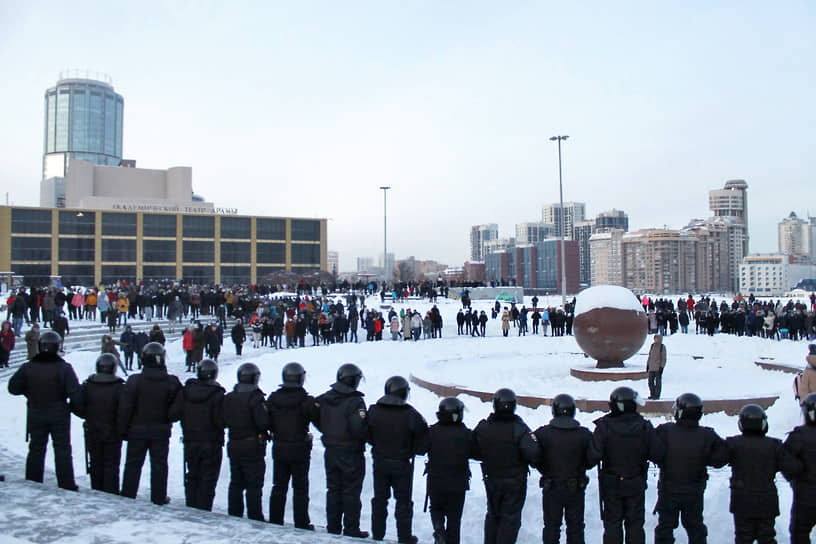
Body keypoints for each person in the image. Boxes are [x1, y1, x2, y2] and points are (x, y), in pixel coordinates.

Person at [587, 386, 666, 544]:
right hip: (635, 482)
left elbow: (592, 457)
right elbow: (658, 454)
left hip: (611, 484)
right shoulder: (644, 427)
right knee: (635, 524)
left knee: (612, 524)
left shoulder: (605, 427)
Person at [7, 331, 79, 490]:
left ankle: (33, 481)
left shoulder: (28, 367)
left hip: (36, 411)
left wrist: (29, 392)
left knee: (36, 448)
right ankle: (66, 484)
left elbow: (13, 388)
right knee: (62, 449)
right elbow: (75, 393)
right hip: (59, 413)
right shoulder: (64, 368)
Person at [653, 393, 728, 544]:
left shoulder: (666, 431)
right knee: (695, 528)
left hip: (669, 489)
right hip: (694, 491)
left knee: (665, 528)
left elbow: (653, 451)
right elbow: (721, 458)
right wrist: (706, 457)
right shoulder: (706, 435)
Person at [118, 342, 183, 505]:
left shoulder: (134, 381)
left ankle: (128, 492)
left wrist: (123, 429)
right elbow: (178, 407)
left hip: (137, 429)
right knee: (159, 465)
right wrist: (168, 418)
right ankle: (159, 496)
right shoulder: (171, 382)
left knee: (133, 463)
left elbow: (125, 408)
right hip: (160, 430)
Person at [472, 388, 539, 544]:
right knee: (510, 518)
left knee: (493, 515)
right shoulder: (519, 428)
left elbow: (473, 449)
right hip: (515, 481)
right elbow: (533, 454)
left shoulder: (485, 427)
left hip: (492, 478)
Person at [367, 376, 429, 543]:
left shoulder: (373, 410)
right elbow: (424, 438)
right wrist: (414, 449)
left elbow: (366, 433)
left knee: (379, 499)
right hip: (401, 463)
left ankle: (377, 533)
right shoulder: (411, 414)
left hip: (380, 461)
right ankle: (404, 536)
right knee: (403, 502)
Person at [725, 404, 799, 544]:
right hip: (767, 501)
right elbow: (792, 469)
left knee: (743, 537)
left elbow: (717, 460)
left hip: (742, 501)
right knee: (767, 537)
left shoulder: (734, 444)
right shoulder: (774, 446)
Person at [315, 363, 370, 538]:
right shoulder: (355, 401)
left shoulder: (326, 398)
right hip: (351, 452)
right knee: (351, 492)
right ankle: (351, 528)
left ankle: (333, 526)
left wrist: (327, 430)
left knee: (333, 490)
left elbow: (315, 414)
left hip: (331, 450)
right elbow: (358, 428)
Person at [532, 393, 593, 544]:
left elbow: (532, 454)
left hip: (552, 487)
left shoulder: (543, 433)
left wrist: (543, 468)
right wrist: (582, 467)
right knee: (576, 528)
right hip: (575, 488)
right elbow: (592, 457)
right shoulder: (584, 434)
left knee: (551, 528)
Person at [266, 362, 318, 529]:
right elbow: (317, 419)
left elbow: (266, 421)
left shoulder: (273, 398)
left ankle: (275, 519)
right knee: (300, 487)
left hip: (280, 446)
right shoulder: (306, 400)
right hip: (299, 448)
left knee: (279, 485)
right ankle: (301, 522)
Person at [72, 353, 125, 494]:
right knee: (112, 463)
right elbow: (125, 409)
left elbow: (76, 404)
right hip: (112, 430)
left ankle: (97, 489)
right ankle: (111, 490)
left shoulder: (88, 385)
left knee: (95, 461)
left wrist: (87, 415)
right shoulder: (119, 387)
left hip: (93, 428)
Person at [223, 362, 270, 521]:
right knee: (253, 484)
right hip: (252, 445)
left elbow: (223, 419)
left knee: (236, 481)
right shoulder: (255, 398)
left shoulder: (230, 397)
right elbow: (263, 422)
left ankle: (234, 512)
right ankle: (254, 515)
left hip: (234, 442)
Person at [180, 358, 225, 511]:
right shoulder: (217, 394)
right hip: (211, 442)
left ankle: (191, 506)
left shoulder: (187, 391)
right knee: (208, 478)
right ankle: (204, 509)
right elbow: (220, 420)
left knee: (192, 475)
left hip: (190, 440)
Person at [426, 397, 473, 544]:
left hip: (435, 479)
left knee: (435, 508)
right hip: (458, 482)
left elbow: (421, 447)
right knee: (454, 517)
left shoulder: (432, 431)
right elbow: (476, 451)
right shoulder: (465, 433)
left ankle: (439, 529)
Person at [784, 392, 816, 543]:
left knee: (800, 533)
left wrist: (795, 478)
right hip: (805, 491)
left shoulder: (799, 436)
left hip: (805, 495)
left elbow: (785, 461)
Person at [646, 334, 666, 400]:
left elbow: (663, 358)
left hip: (658, 368)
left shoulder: (662, 347)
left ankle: (657, 395)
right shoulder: (652, 346)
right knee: (650, 382)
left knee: (658, 382)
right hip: (651, 367)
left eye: (656, 338)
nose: (655, 340)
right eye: (655, 338)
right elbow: (650, 356)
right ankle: (652, 393)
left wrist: (661, 367)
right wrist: (648, 365)